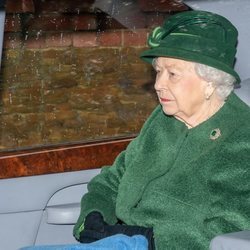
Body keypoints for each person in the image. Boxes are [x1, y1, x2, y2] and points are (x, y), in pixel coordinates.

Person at [73, 10, 250, 249]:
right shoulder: (164, 119)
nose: (158, 85)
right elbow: (112, 180)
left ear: (210, 83)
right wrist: (93, 217)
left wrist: (150, 238)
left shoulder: (241, 136)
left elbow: (233, 225)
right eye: (158, 72)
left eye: (172, 74)